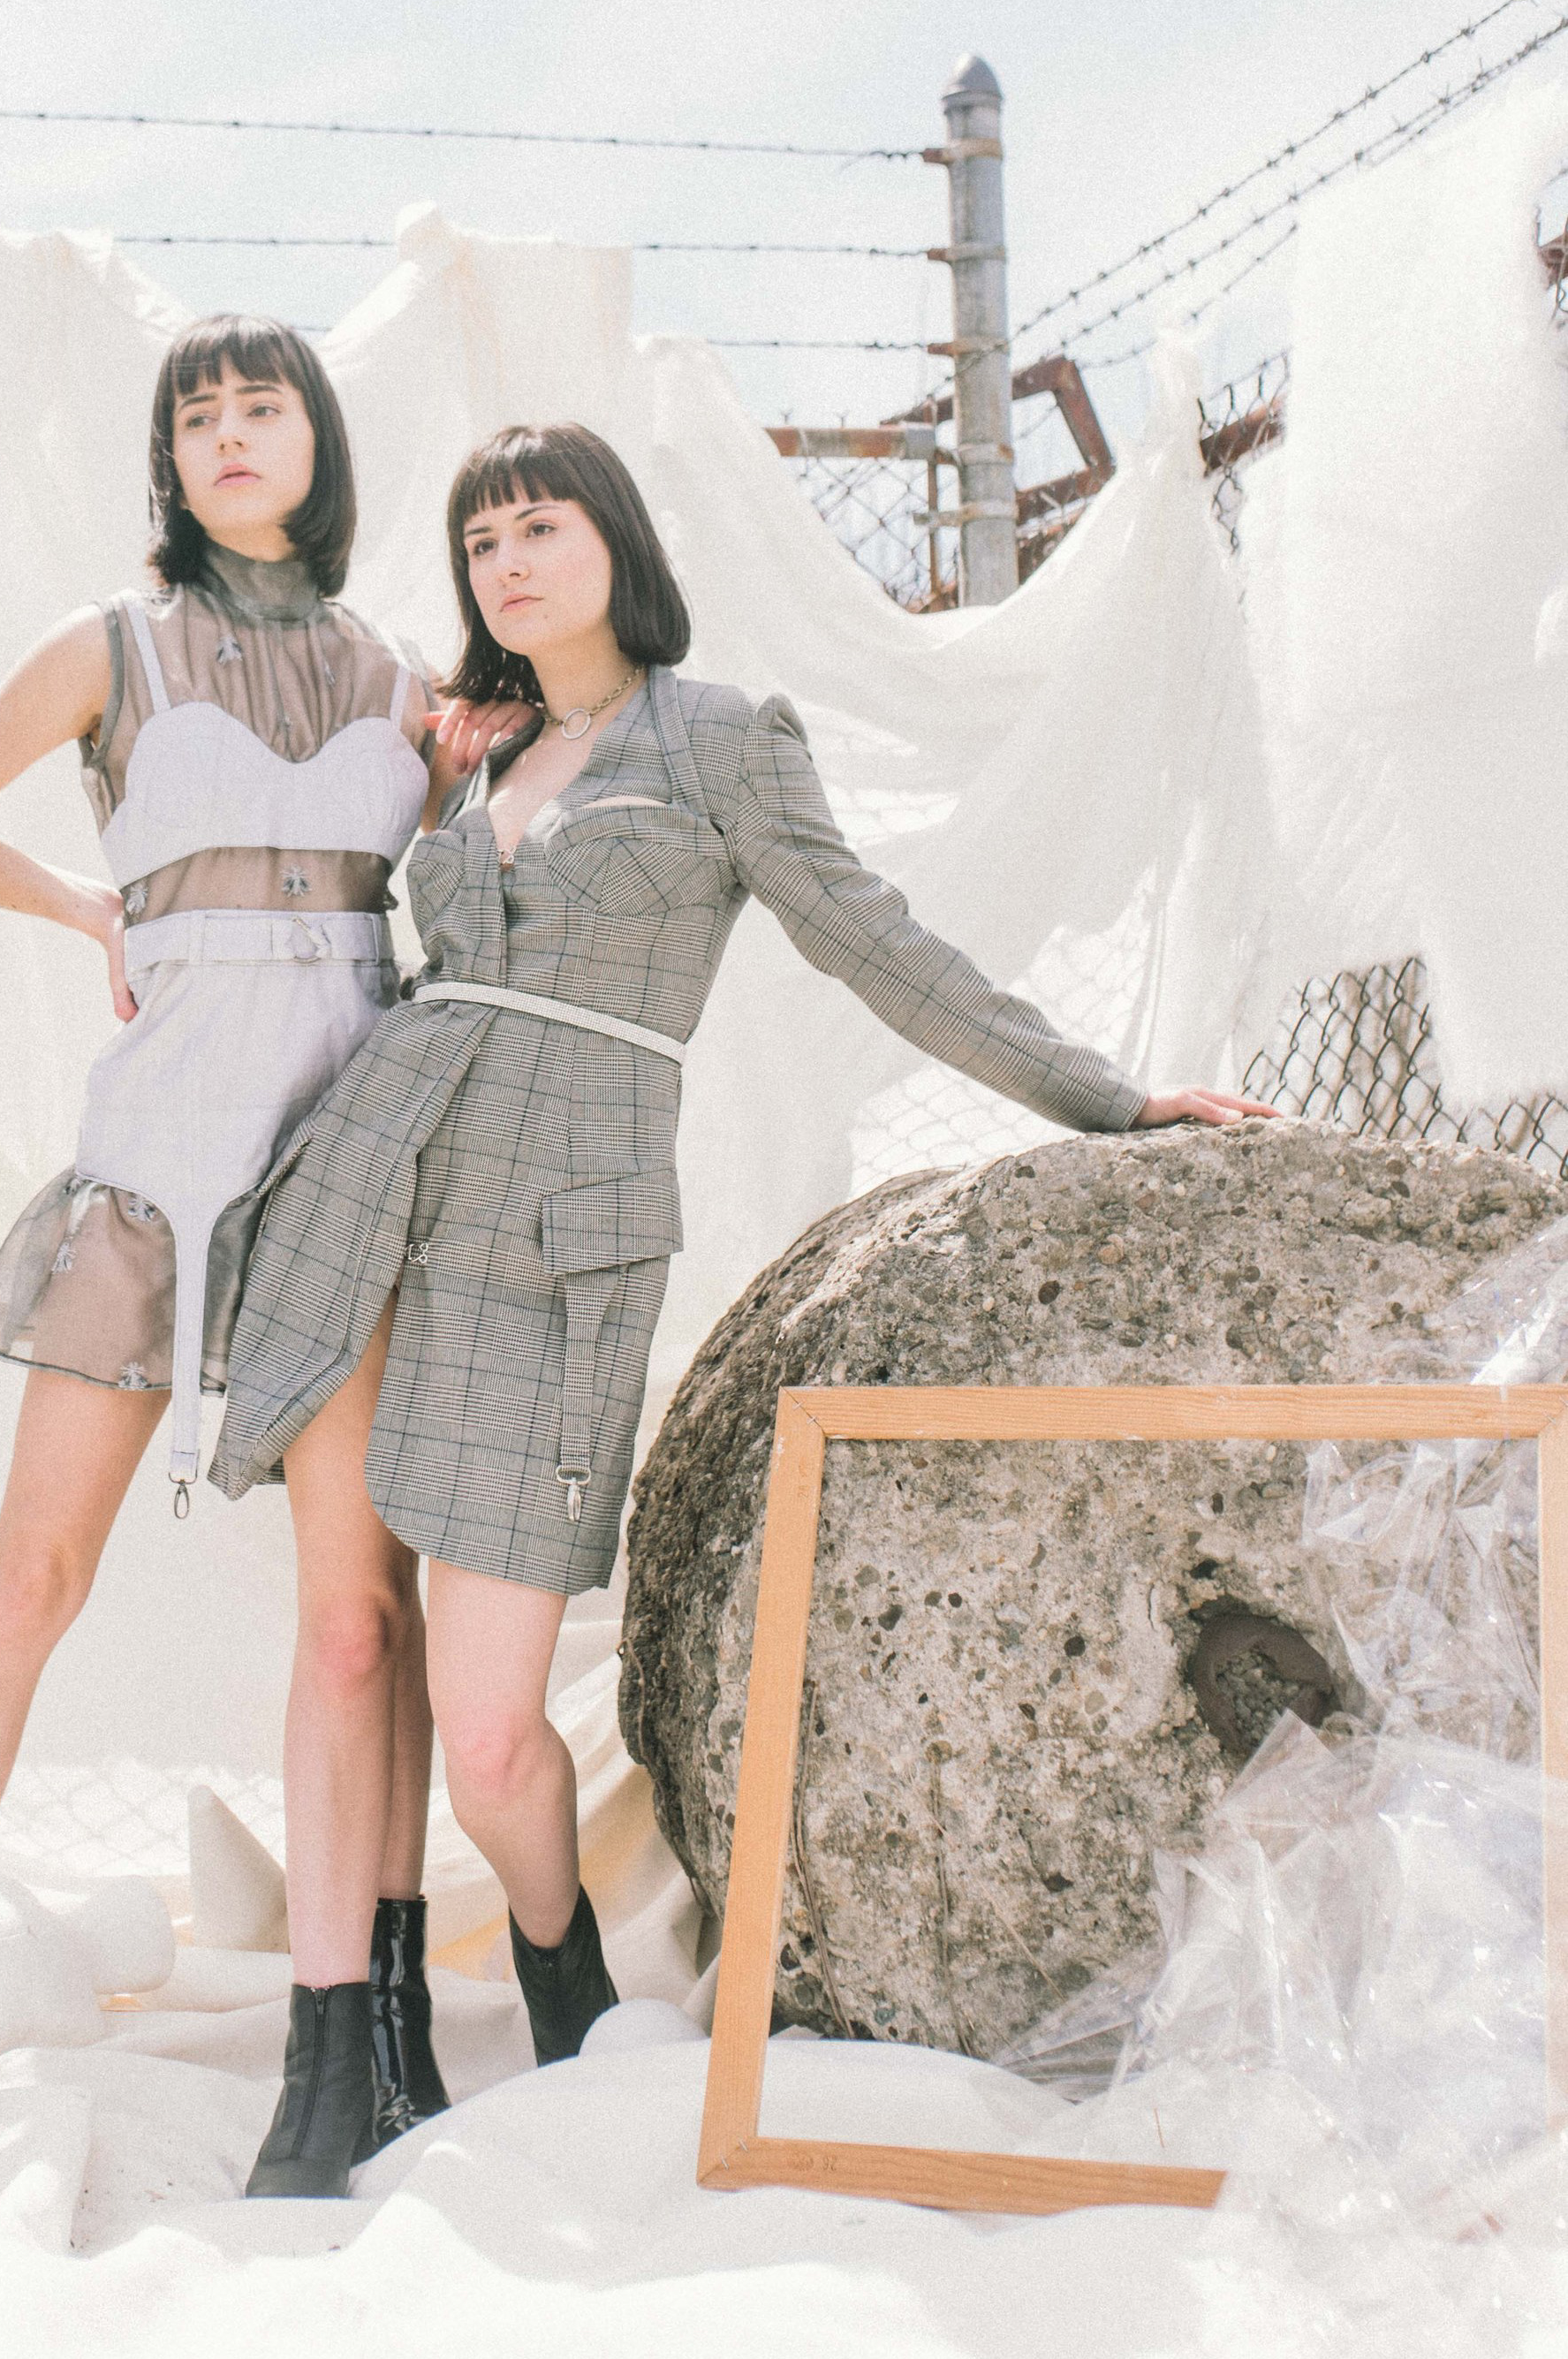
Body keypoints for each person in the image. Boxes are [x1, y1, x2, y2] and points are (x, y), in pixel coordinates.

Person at [211, 420, 1276, 2196]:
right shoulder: (473, 750)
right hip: (369, 1188)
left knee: (489, 1731)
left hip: (551, 1242)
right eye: (481, 544)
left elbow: (872, 938)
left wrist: (1106, 1096)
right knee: (343, 1637)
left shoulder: (719, 739)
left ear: (616, 544)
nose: (508, 565)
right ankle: (357, 2048)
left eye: (541, 528)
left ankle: (557, 1970)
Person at [0, 318, 519, 2173]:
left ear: (318, 440)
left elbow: (478, 887)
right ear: (170, 461)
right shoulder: (105, 647)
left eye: (262, 407)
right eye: (198, 416)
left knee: (358, 1624)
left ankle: (365, 2036)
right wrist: (92, 909)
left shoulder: (405, 683)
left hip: (343, 1185)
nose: (229, 435)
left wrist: (483, 770)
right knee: (27, 1578)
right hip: (156, 1169)